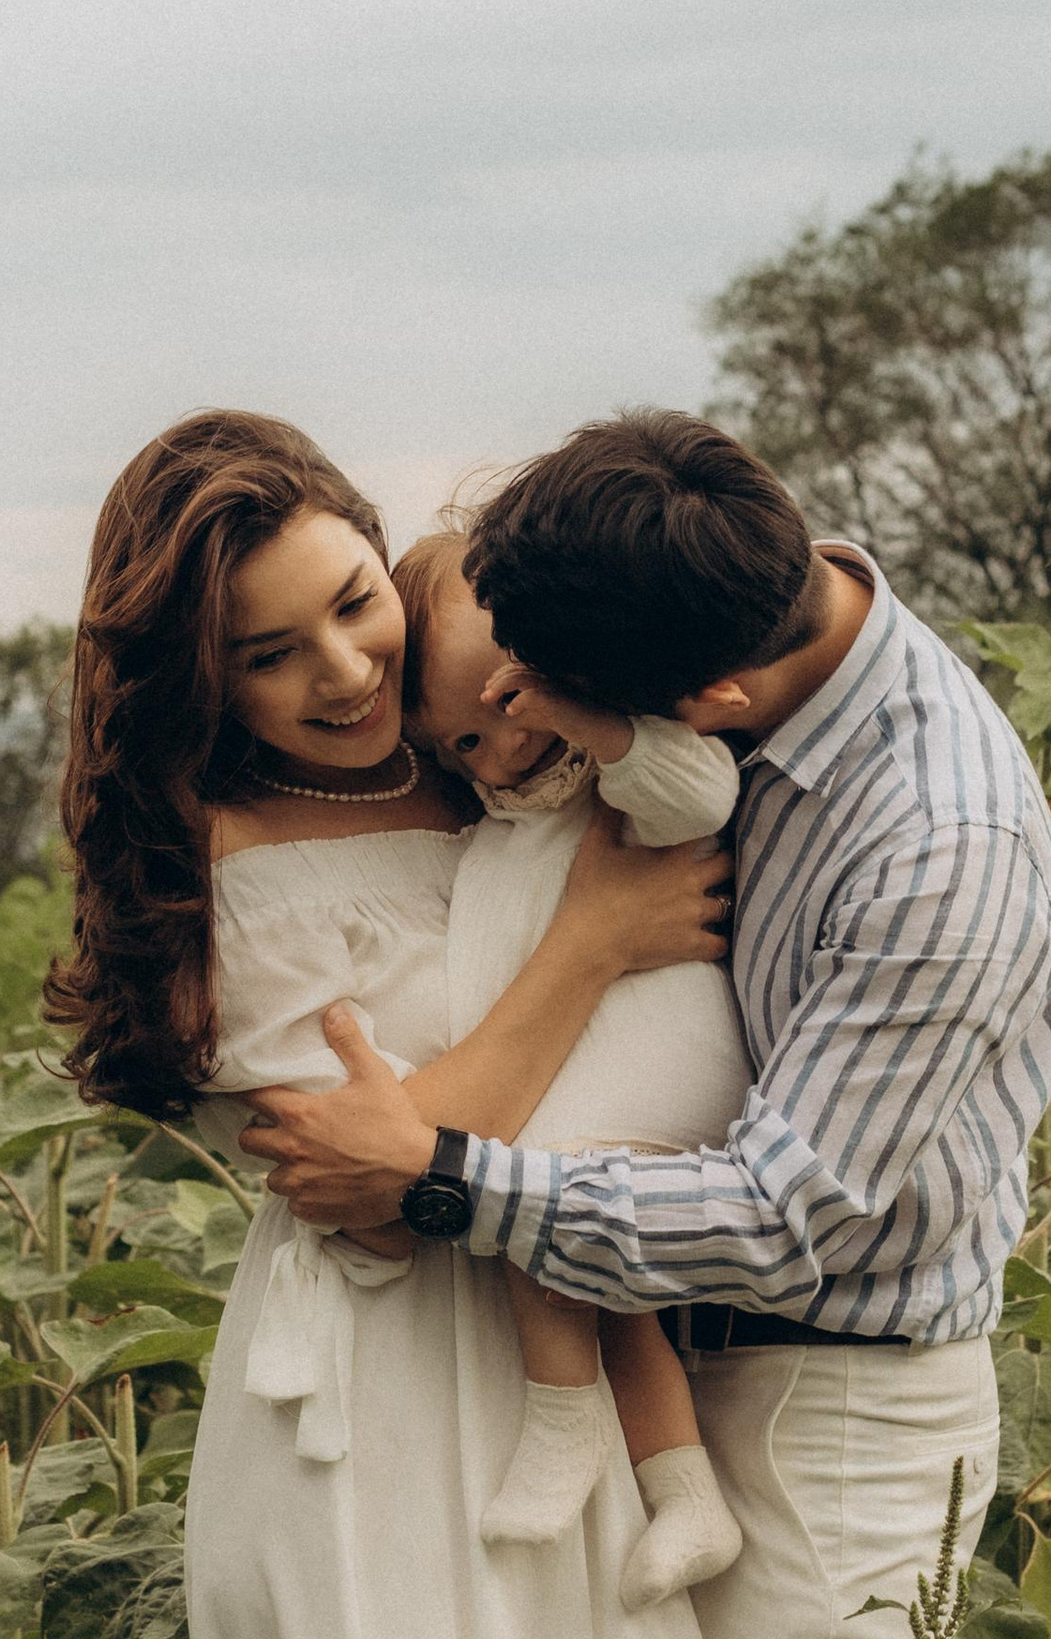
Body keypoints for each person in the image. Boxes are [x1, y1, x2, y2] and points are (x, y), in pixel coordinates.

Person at [238, 410, 1051, 1638]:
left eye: (547, 698)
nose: (518, 714)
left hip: (829, 1421)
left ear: (704, 701)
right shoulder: (698, 588)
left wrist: (445, 1175)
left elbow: (782, 1215)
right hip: (676, 1358)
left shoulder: (940, 852)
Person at [43, 411, 732, 1639]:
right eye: (269, 654)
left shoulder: (486, 742)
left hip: (584, 1308)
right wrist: (597, 936)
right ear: (205, 678)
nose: (346, 670)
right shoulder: (234, 858)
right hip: (392, 1364)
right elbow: (367, 1183)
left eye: (355, 602)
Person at [394, 526, 748, 1606]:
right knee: (594, 1261)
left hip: (670, 1059)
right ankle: (684, 1488)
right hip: (599, 1071)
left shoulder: (616, 780)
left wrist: (594, 729)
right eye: (458, 744)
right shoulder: (506, 820)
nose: (498, 755)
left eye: (508, 708)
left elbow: (705, 797)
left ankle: (563, 1421)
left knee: (534, 1201)